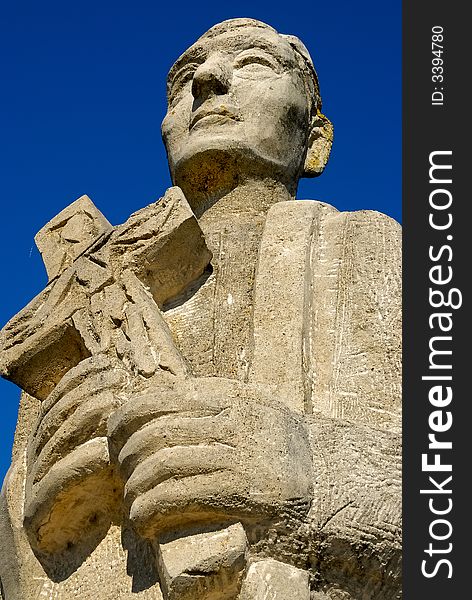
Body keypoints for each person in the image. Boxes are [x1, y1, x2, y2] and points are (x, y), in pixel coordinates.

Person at [0, 19, 401, 599]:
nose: (208, 80)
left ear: (316, 142)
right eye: (186, 75)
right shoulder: (81, 310)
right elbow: (19, 553)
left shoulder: (369, 248)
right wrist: (30, 519)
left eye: (255, 64)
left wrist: (303, 474)